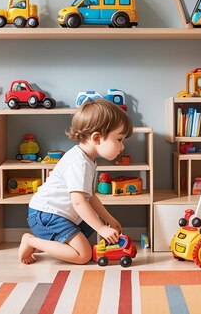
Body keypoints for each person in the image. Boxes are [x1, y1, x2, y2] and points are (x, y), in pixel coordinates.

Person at [19, 99, 133, 265]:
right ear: (97, 138)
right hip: (46, 215)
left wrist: (108, 219)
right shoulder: (79, 163)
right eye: (119, 139)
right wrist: (101, 228)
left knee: (90, 229)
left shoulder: (88, 160)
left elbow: (90, 197)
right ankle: (31, 241)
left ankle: (56, 244)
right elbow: (79, 203)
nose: (122, 147)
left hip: (59, 214)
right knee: (83, 255)